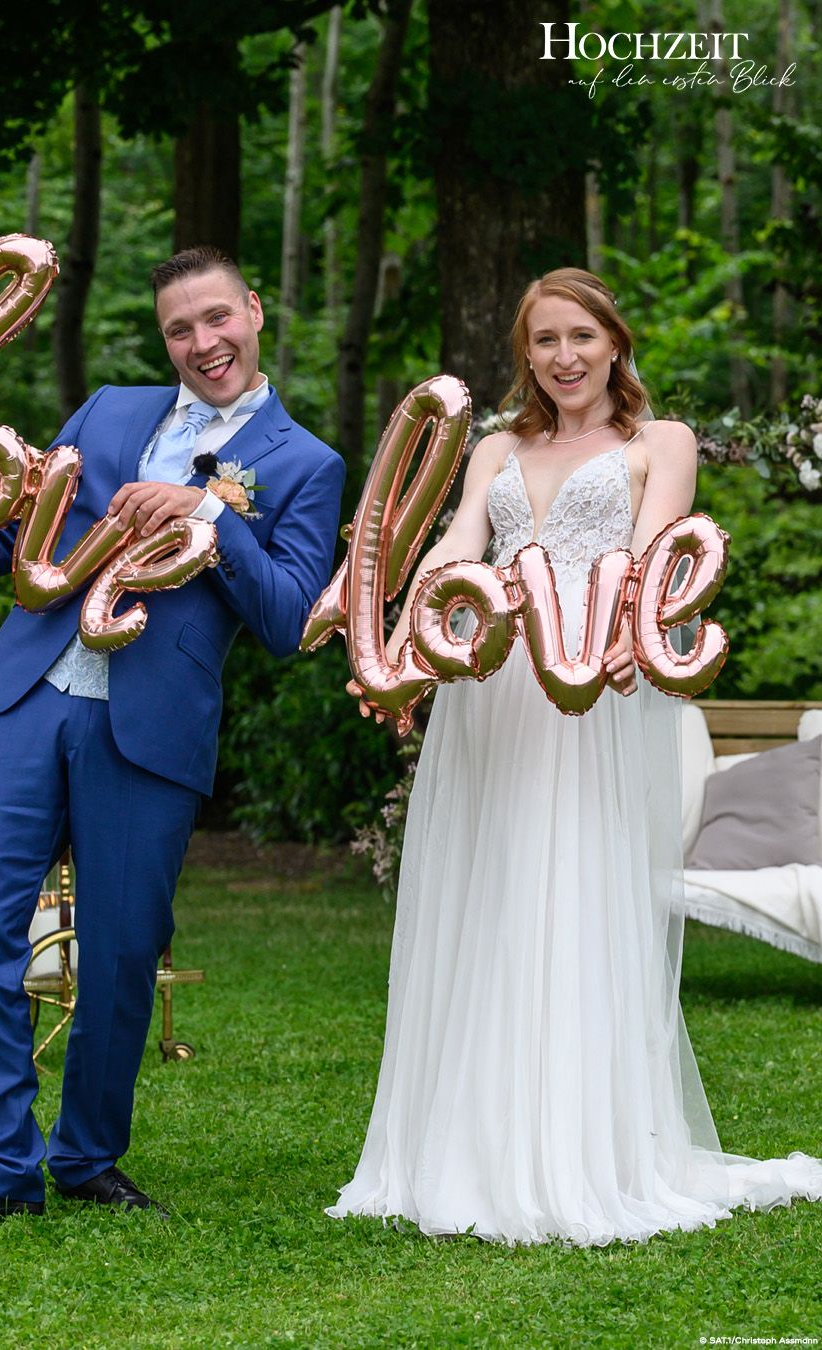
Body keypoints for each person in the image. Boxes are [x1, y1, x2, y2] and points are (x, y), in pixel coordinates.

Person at [0, 246, 345, 1230]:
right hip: (29, 695)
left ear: (256, 312)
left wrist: (206, 512)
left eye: (217, 319)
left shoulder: (304, 464)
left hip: (149, 732)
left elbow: (285, 619)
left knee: (119, 950)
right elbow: (2, 538)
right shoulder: (108, 411)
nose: (203, 343)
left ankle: (88, 1157)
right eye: (180, 330)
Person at [329, 267, 822, 1245]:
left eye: (582, 338)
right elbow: (456, 548)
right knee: (490, 893)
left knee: (574, 894)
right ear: (527, 354)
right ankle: (467, 1142)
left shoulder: (661, 443)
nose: (564, 358)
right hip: (488, 689)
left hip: (587, 684)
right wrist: (394, 643)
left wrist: (591, 642)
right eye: (546, 341)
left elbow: (650, 559)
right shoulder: (496, 449)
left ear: (614, 341)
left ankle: (578, 1148)